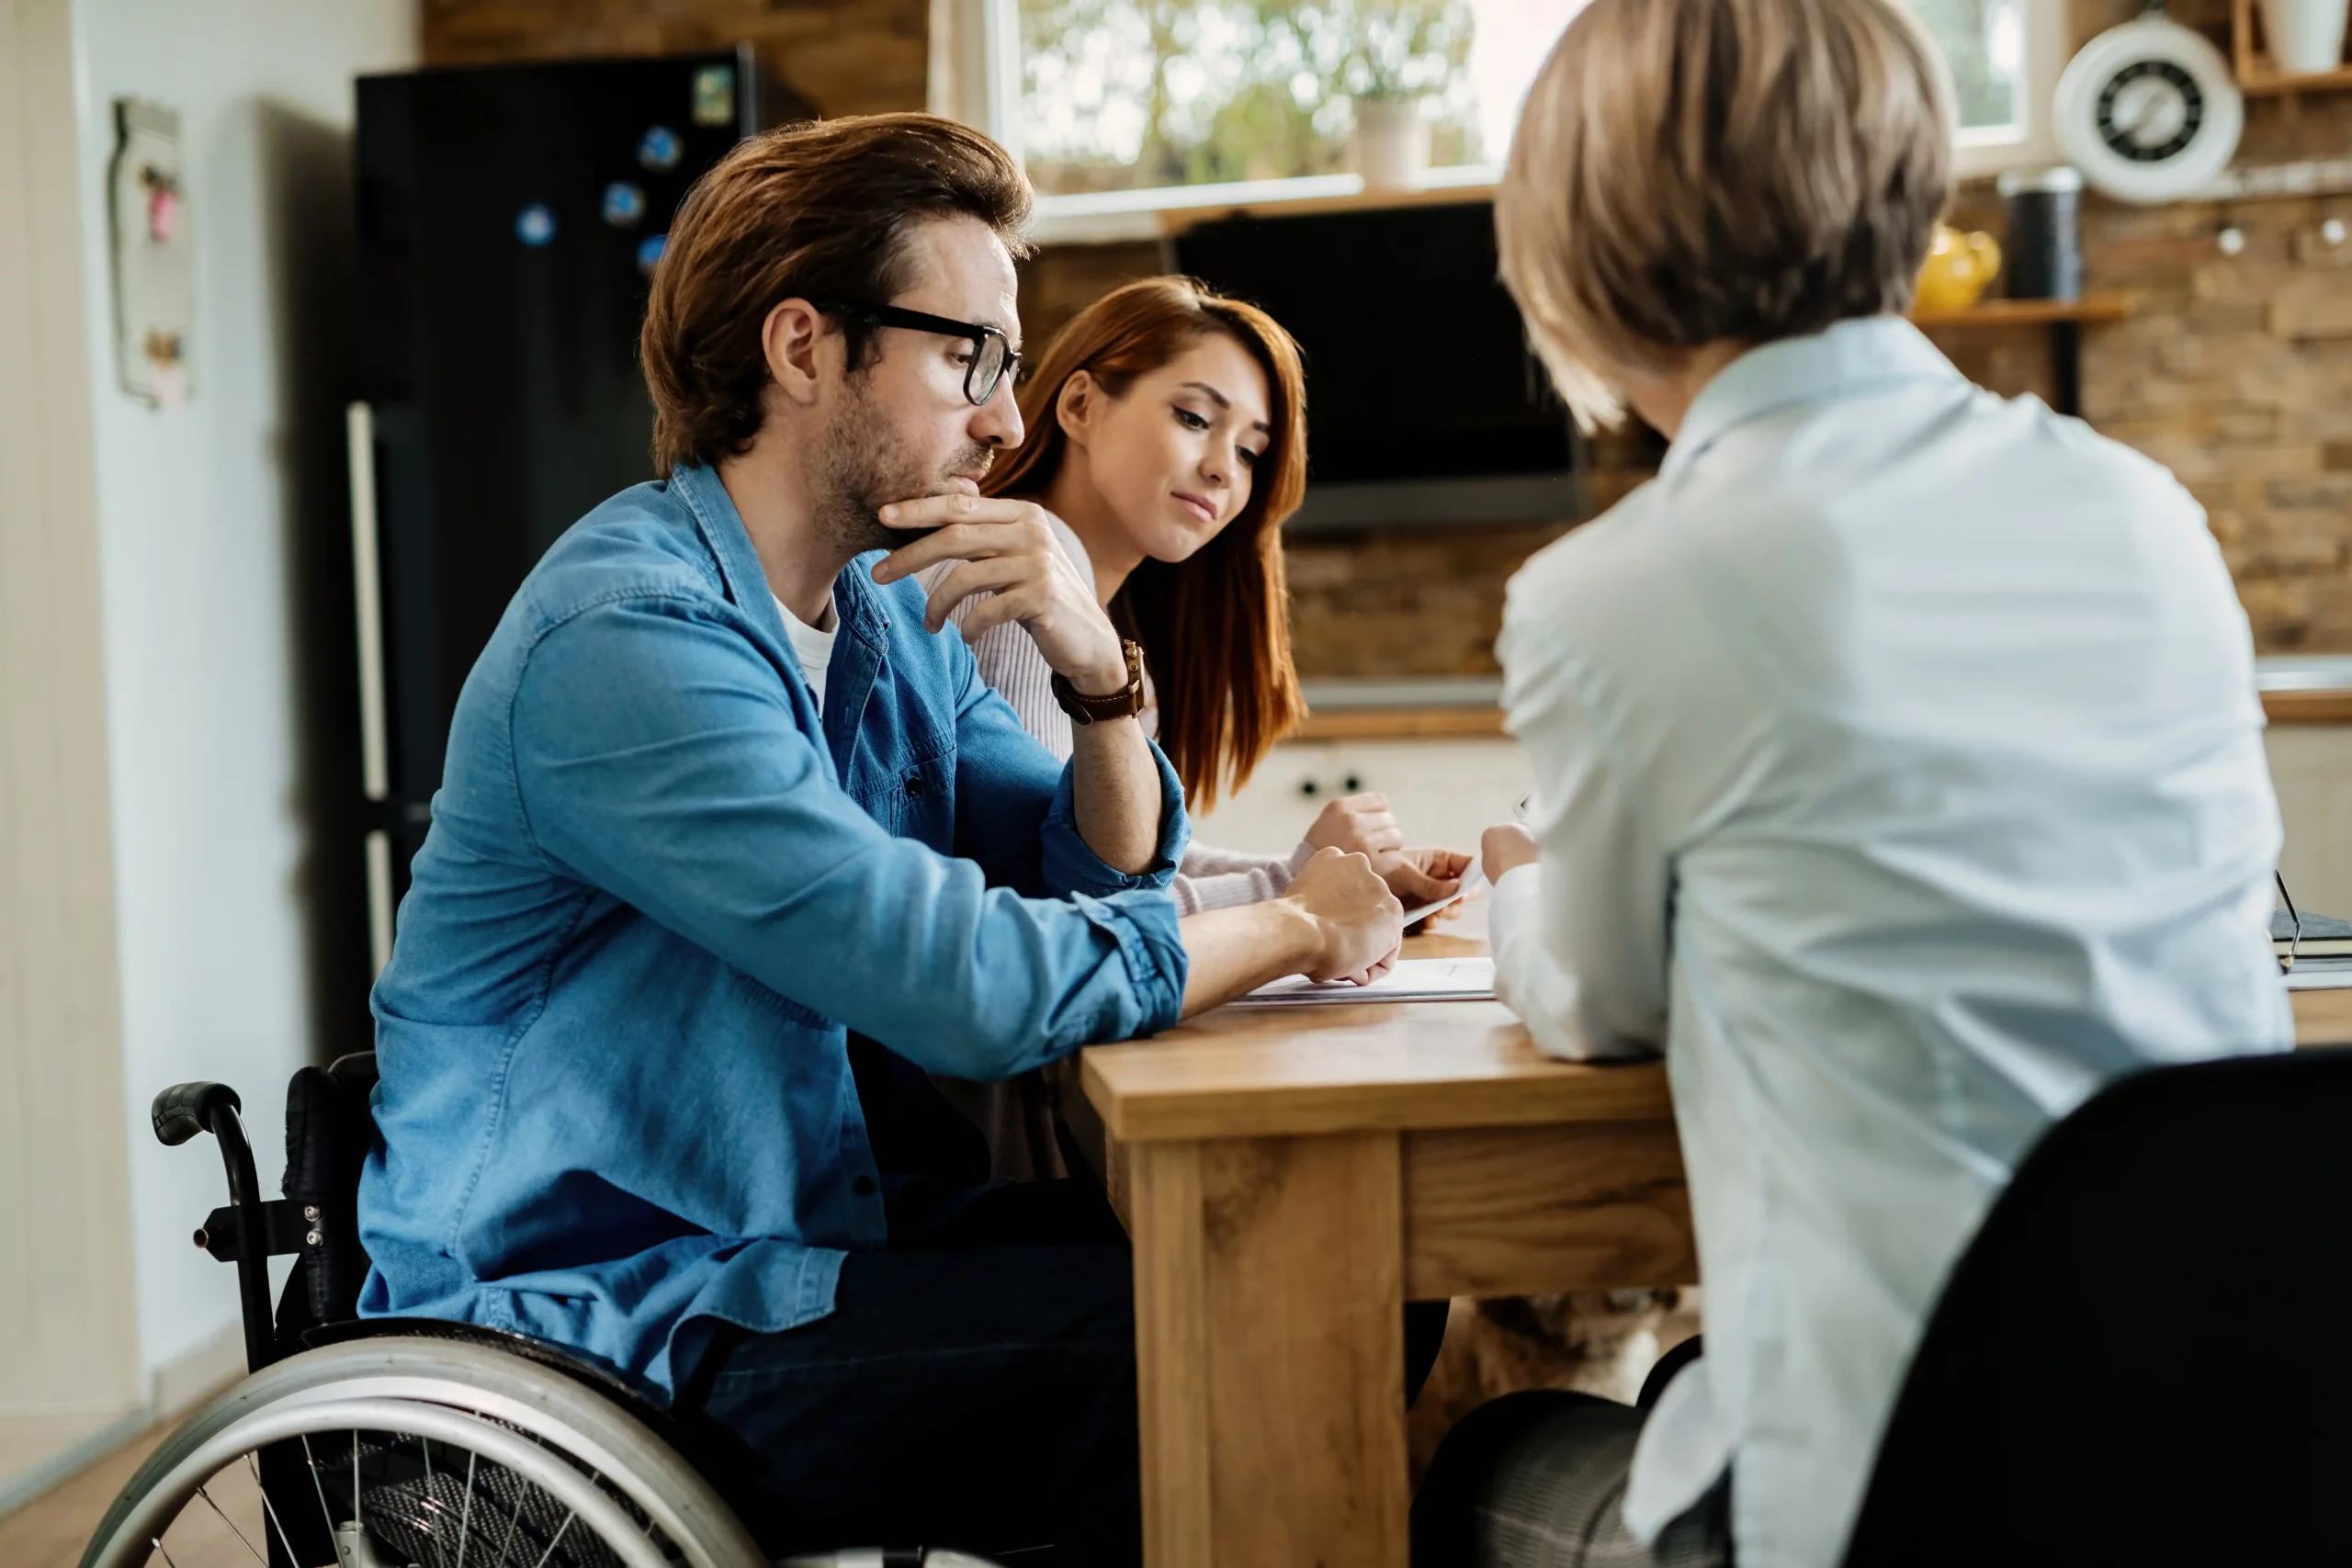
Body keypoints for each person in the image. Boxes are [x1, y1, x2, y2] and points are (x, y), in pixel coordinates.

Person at [355, 114, 1407, 1564]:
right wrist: (1297, 920)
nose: (1000, 417)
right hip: (600, 1326)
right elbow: (975, 991)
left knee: (1300, 1272)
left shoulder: (890, 612)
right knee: (1209, 1335)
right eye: (970, 353)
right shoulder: (631, 639)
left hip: (792, 1236)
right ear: (805, 350)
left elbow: (1086, 868)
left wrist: (1099, 672)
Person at [1416, 2, 2292, 1565]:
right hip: (2233, 1443)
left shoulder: (1616, 589)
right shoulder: (2141, 507)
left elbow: (1602, 1003)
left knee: (1483, 1445)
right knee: (1694, 1371)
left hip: (1898, 1501)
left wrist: (1518, 879)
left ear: (1582, 249)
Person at [917, 276, 1473, 1178]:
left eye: (1250, 449)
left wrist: (1317, 882)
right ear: (1082, 403)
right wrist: (1294, 896)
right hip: (973, 1146)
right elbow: (1075, 913)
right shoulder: (1023, 585)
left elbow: (1122, 864)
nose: (1225, 469)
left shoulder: (1104, 624)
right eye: (1194, 418)